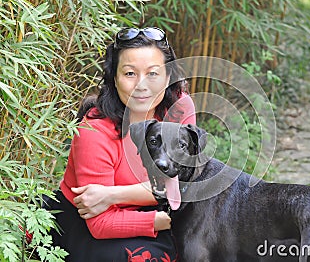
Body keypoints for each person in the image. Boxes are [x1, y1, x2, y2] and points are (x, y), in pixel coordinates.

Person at [44, 27, 196, 261]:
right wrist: (166, 218)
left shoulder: (178, 109)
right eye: (129, 74)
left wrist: (112, 194)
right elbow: (101, 223)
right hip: (93, 223)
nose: (142, 86)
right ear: (114, 77)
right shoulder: (94, 130)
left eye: (153, 74)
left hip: (150, 209)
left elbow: (186, 184)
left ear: (168, 77)